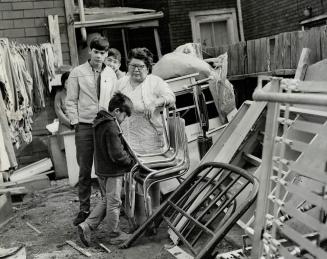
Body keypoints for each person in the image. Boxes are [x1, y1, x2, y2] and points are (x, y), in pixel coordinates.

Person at [116, 47, 175, 213]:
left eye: (140, 66)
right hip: (127, 138)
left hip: (150, 139)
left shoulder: (155, 82)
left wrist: (155, 103)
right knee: (133, 177)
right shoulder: (121, 83)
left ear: (147, 68)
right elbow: (112, 105)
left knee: (151, 176)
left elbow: (171, 97)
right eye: (133, 65)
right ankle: (139, 216)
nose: (136, 69)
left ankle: (154, 213)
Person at [66, 36, 117, 226]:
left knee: (104, 169)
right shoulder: (77, 72)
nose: (99, 56)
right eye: (96, 52)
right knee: (85, 170)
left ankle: (105, 207)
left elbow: (114, 99)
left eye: (103, 53)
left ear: (106, 54)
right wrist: (76, 122)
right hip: (85, 126)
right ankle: (84, 209)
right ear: (90, 51)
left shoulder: (110, 74)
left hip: (104, 126)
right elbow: (70, 101)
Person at [78, 92, 134, 246]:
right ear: (117, 111)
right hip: (112, 171)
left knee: (107, 199)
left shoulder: (99, 122)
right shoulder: (111, 126)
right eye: (124, 115)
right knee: (114, 203)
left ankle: (87, 226)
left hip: (102, 170)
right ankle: (114, 234)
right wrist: (130, 161)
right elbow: (117, 154)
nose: (124, 120)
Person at [54, 71, 70, 150]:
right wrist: (69, 123)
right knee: (66, 144)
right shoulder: (59, 95)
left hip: (78, 121)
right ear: (63, 83)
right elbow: (59, 112)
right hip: (65, 122)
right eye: (67, 83)